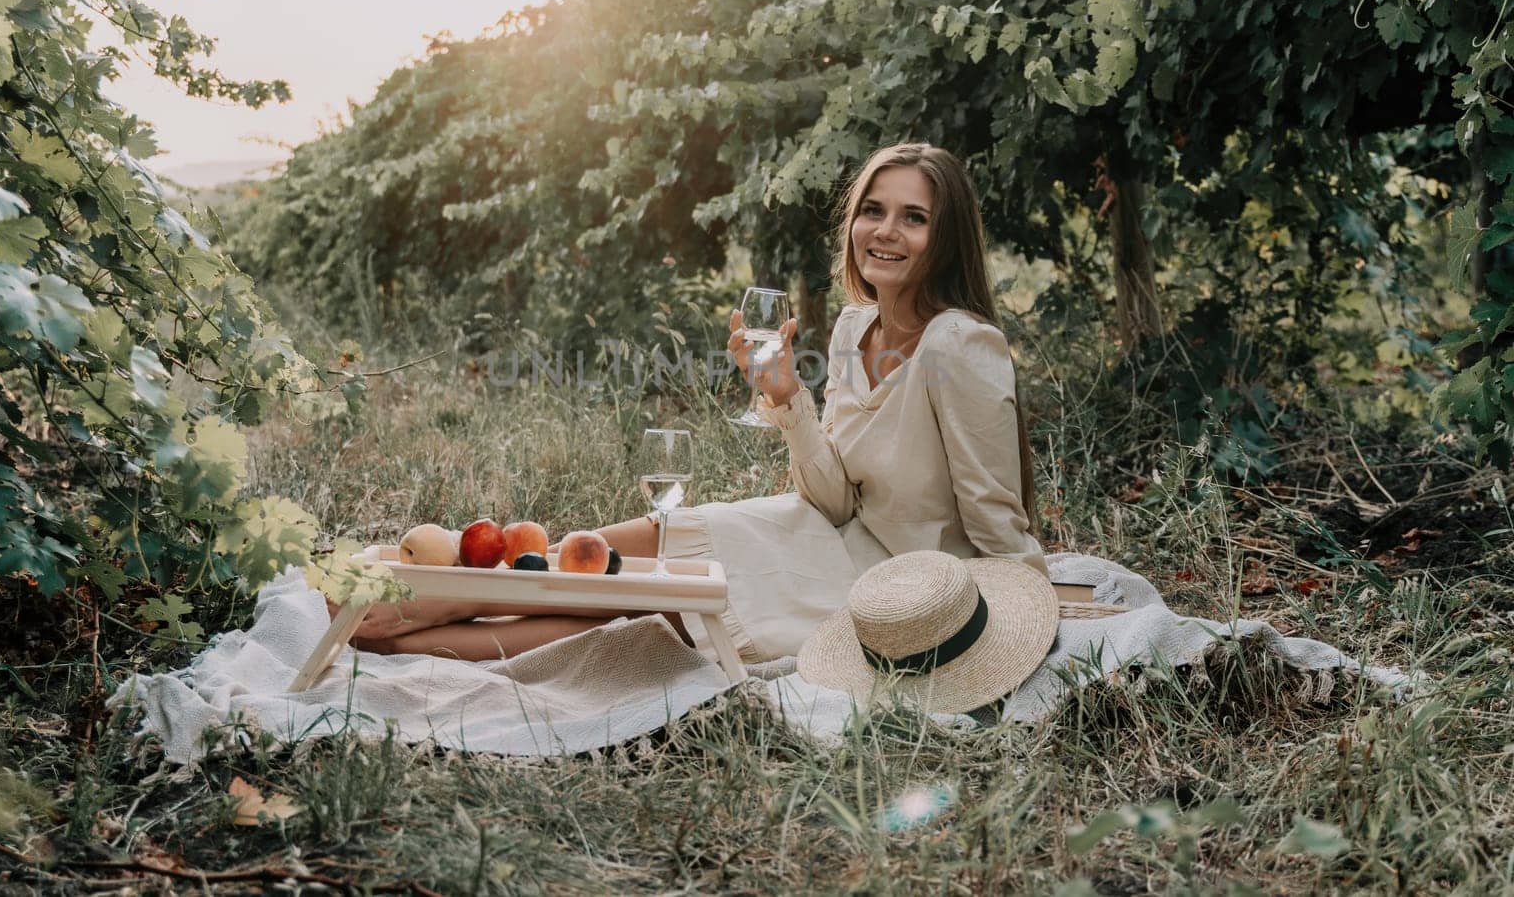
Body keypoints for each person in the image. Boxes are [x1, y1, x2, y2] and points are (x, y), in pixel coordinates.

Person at [337, 142, 1063, 663]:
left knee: (637, 603)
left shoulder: (961, 346)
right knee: (628, 546)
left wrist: (1014, 623)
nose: (884, 230)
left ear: (946, 238)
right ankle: (445, 596)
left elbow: (999, 526)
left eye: (914, 217)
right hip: (820, 533)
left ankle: (407, 636)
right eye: (873, 209)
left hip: (889, 585)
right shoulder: (852, 327)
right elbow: (837, 501)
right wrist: (788, 401)